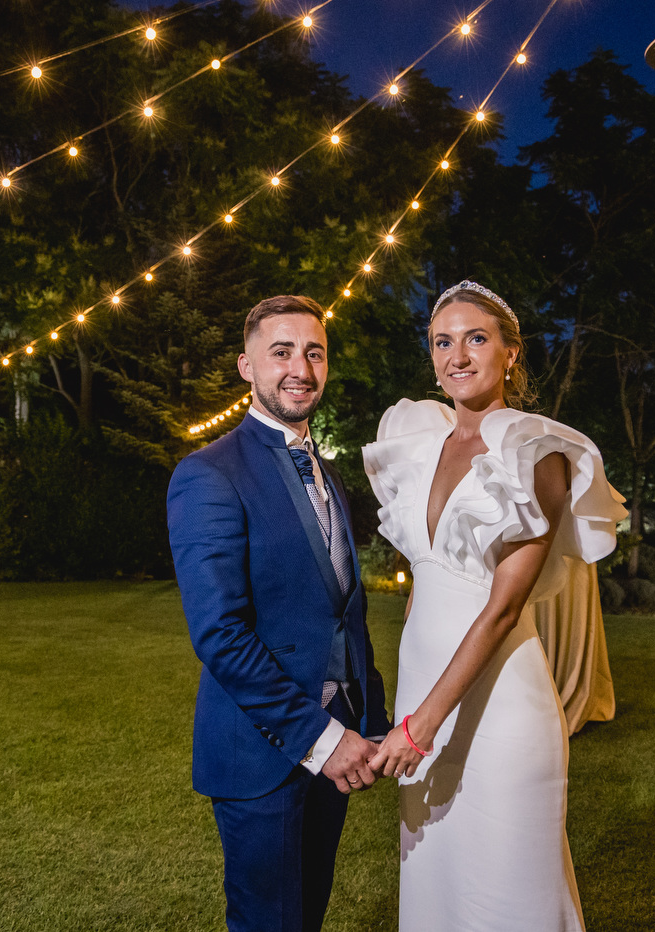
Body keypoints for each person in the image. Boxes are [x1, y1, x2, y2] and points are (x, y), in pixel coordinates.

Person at [362, 280, 627, 931]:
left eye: (475, 338)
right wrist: (412, 702)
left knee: (512, 891)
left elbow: (504, 608)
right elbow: (423, 582)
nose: (457, 355)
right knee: (435, 881)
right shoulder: (420, 441)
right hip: (424, 690)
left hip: (501, 706)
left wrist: (420, 726)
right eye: (441, 341)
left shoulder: (535, 453)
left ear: (511, 353)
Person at [167, 294, 392, 932]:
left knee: (306, 916)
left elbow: (345, 612)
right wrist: (321, 741)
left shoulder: (331, 474)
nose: (301, 367)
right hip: (263, 752)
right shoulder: (208, 474)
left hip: (342, 738)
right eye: (282, 352)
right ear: (247, 366)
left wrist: (365, 722)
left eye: (314, 352)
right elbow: (220, 635)